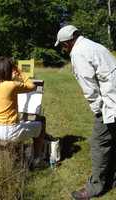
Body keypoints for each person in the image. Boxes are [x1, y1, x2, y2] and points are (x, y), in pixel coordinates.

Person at [55, 25, 116, 199]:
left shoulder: (79, 53)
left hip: (111, 103)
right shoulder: (94, 45)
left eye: (63, 45)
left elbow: (89, 87)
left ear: (68, 42)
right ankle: (112, 178)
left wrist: (98, 111)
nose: (63, 48)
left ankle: (94, 188)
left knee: (99, 144)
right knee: (113, 140)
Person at [0, 57, 46, 168]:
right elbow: (32, 86)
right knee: (40, 126)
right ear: (9, 71)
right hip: (9, 131)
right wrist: (19, 71)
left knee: (25, 125)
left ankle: (20, 155)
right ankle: (37, 159)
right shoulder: (11, 85)